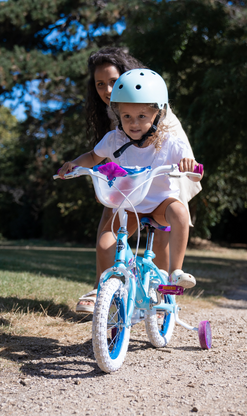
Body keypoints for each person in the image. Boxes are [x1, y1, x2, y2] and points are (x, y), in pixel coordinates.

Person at [73, 48, 201, 312]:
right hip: (132, 191)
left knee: (169, 224)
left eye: (113, 81)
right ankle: (104, 287)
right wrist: (80, 166)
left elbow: (185, 161)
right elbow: (104, 158)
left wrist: (189, 165)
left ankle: (169, 281)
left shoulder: (164, 127)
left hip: (164, 186)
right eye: (100, 84)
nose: (108, 90)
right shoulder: (116, 129)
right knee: (108, 228)